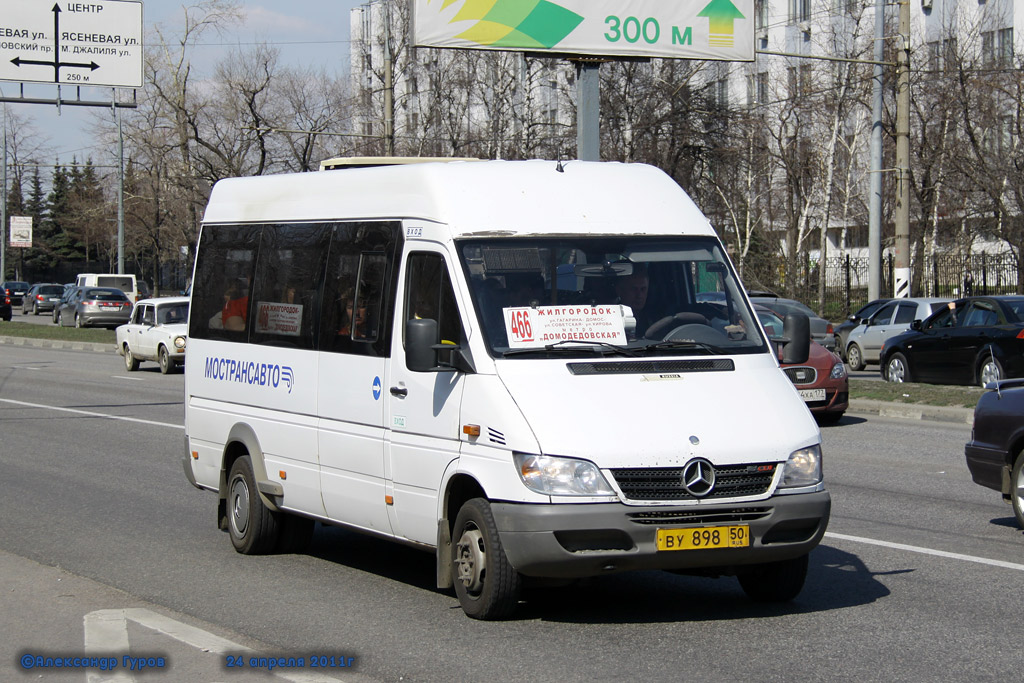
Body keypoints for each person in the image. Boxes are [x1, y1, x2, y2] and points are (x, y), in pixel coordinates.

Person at [614, 264, 650, 336]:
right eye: (634, 289)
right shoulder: (611, 319)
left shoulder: (656, 316)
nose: (639, 295)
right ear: (619, 290)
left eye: (643, 289)